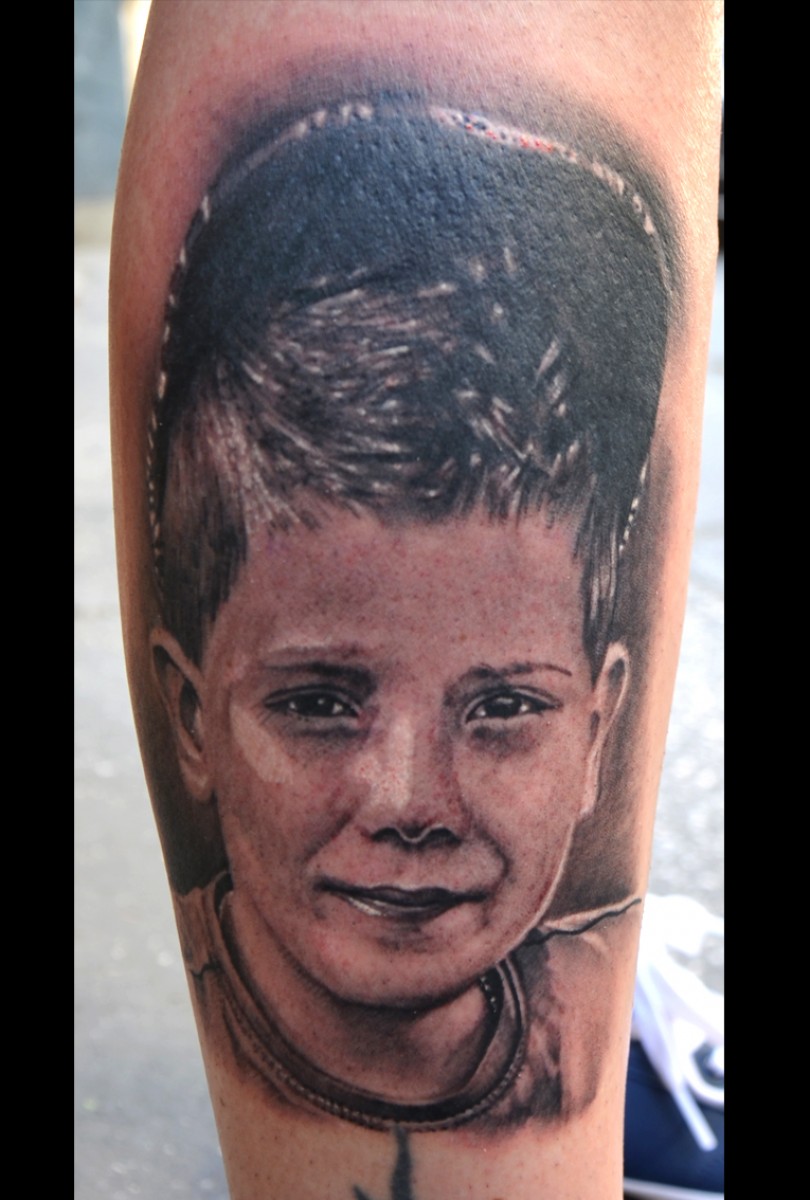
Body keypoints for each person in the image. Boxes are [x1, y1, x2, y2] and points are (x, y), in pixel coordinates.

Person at [110, 5, 722, 1196]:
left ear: (599, 724)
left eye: (504, 708)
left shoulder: (561, 997)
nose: (411, 805)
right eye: (319, 702)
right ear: (191, 713)